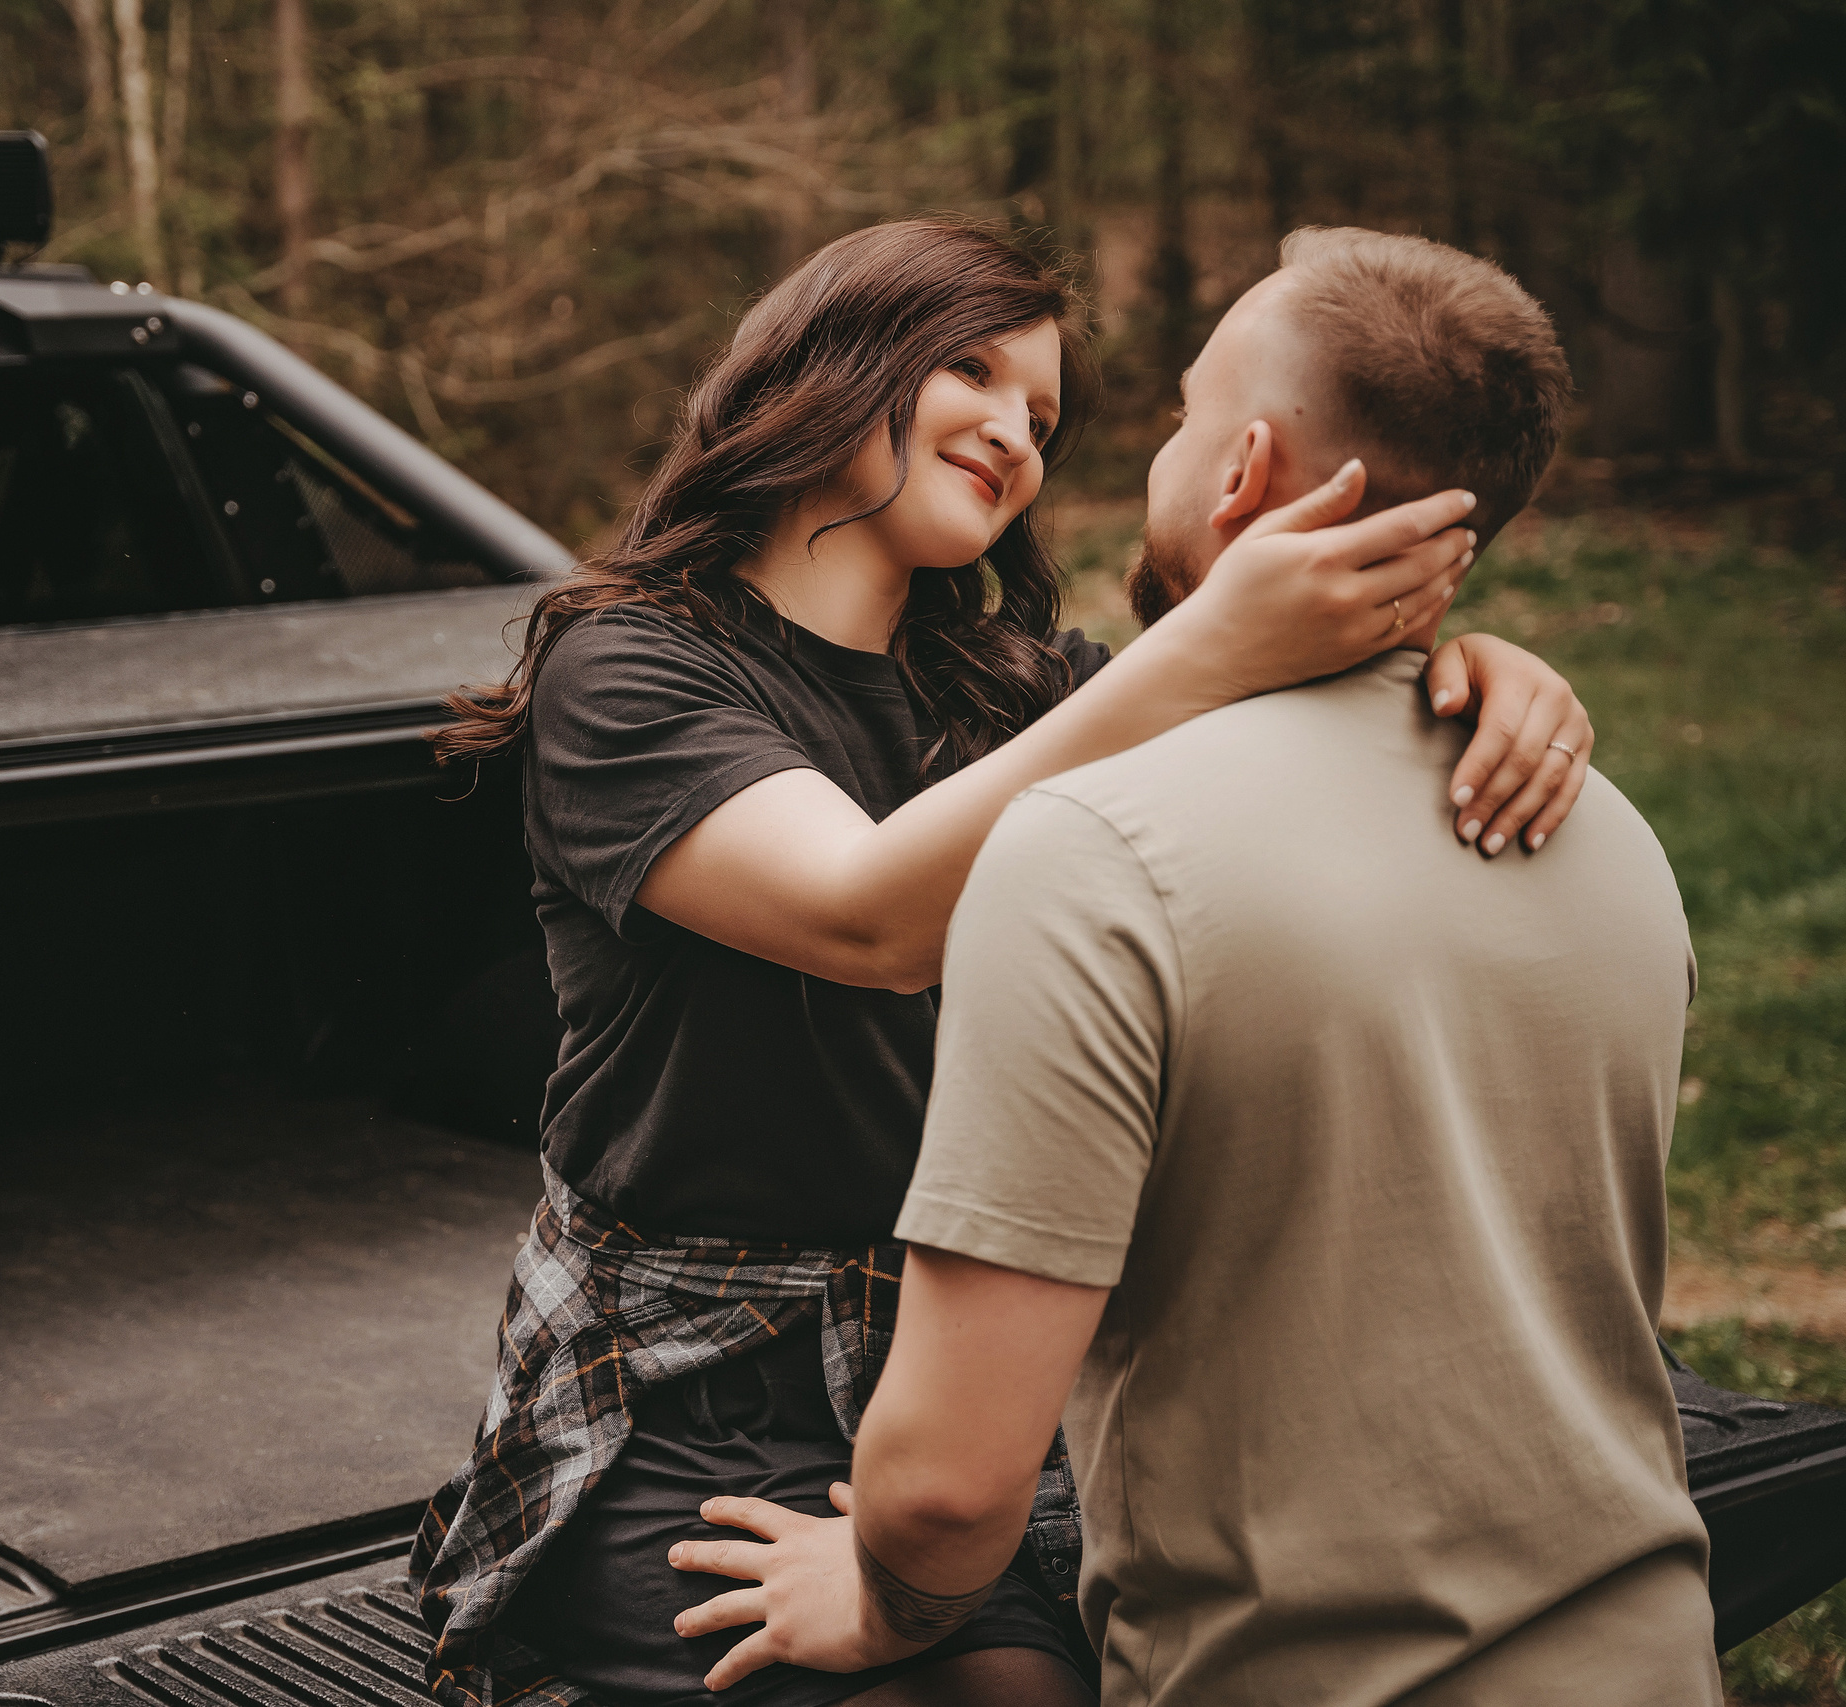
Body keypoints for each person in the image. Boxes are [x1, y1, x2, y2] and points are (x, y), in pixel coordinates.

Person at [412, 218, 1598, 1707]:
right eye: (972, 369)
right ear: (825, 360)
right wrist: (1205, 652)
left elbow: (1274, 722)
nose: (1018, 435)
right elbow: (862, 917)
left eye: (1045, 418)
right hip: (692, 1391)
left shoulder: (1025, 690)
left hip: (968, 1386)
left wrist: (1469, 666)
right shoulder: (635, 661)